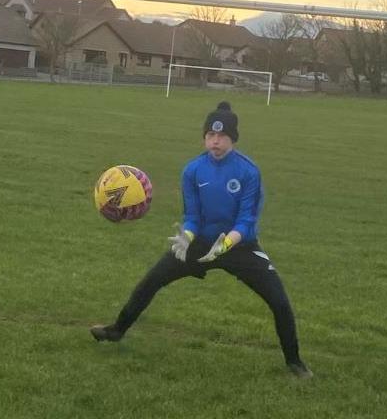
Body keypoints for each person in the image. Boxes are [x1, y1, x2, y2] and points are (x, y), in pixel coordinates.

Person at [90, 101, 312, 379]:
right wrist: (187, 237)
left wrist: (225, 245)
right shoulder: (192, 171)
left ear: (232, 138)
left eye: (221, 136)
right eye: (210, 135)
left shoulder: (248, 172)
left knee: (279, 301)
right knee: (151, 281)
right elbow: (193, 216)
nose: (215, 141)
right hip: (199, 243)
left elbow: (246, 221)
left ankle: (294, 362)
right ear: (204, 137)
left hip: (239, 245)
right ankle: (116, 331)